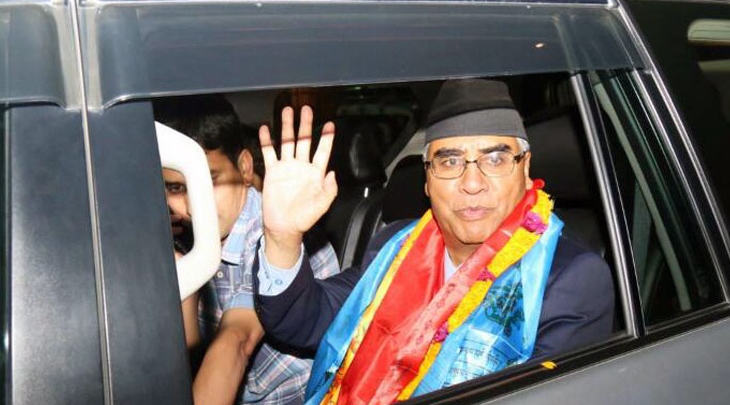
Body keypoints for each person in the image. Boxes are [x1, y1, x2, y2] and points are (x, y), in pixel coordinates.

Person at [252, 79, 615, 405]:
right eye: (450, 162)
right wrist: (283, 238)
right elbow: (303, 320)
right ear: (427, 179)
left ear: (525, 167)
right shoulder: (395, 246)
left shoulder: (569, 279)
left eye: (495, 159)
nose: (472, 183)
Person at [154, 95, 340, 405]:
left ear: (243, 167)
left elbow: (237, 341)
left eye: (209, 181)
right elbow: (189, 352)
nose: (192, 207)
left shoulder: (273, 233)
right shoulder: (185, 236)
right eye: (175, 188)